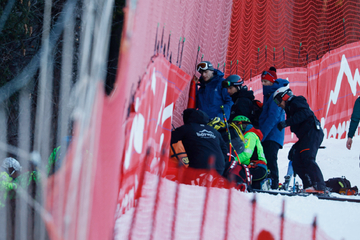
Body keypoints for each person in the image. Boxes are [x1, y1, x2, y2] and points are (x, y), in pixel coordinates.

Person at [274, 85, 326, 192]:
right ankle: (309, 185)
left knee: (307, 157)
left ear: (285, 96)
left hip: (312, 132)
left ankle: (319, 186)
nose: (278, 104)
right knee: (295, 158)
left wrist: (286, 123)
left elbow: (305, 113)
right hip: (305, 136)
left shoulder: (296, 100)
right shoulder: (290, 107)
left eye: (278, 100)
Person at [171, 108, 228, 175]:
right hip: (219, 167)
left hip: (199, 165)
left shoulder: (187, 128)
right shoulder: (214, 131)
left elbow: (168, 138)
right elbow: (225, 149)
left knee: (186, 182)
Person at [258, 67, 288, 189]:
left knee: (270, 158)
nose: (264, 84)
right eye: (262, 82)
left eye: (266, 82)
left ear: (272, 82)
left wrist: (262, 134)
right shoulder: (269, 94)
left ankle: (274, 183)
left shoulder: (275, 95)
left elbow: (273, 117)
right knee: (267, 157)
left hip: (273, 134)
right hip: (270, 134)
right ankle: (268, 181)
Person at [231, 115, 268, 189]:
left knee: (231, 174)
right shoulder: (248, 134)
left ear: (242, 124)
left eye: (236, 126)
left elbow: (246, 154)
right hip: (255, 167)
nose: (235, 129)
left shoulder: (250, 135)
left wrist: (232, 161)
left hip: (257, 168)